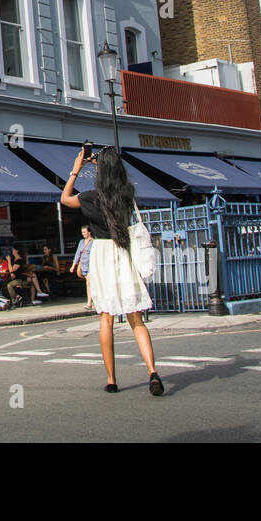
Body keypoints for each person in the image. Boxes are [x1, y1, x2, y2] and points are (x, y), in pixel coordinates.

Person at [62, 146, 163, 396]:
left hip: (103, 254)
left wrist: (77, 169)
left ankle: (111, 379)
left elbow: (65, 198)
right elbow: (113, 184)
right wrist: (102, 164)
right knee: (136, 318)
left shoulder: (89, 196)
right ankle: (152, 371)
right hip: (123, 252)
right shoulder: (126, 193)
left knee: (105, 318)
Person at [70, 225, 95, 311]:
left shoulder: (93, 242)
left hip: (91, 265)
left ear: (89, 232)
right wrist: (73, 266)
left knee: (89, 284)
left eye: (85, 232)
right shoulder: (81, 242)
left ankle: (89, 303)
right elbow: (78, 254)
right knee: (90, 284)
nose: (83, 234)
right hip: (83, 265)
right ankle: (93, 302)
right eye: (82, 232)